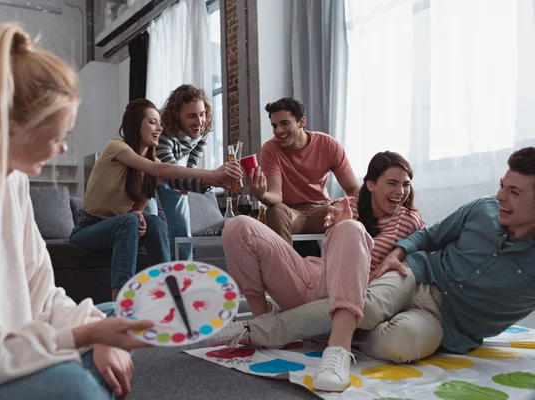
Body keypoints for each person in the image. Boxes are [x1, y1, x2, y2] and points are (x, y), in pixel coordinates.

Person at [0, 23, 156, 399]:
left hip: (15, 346)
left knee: (110, 316)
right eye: (57, 137)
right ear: (11, 128)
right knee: (77, 386)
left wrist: (97, 331)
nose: (62, 149)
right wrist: (86, 336)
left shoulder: (13, 182)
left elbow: (43, 294)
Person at [213, 147, 535, 392]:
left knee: (398, 344)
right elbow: (431, 238)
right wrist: (391, 248)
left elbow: (420, 232)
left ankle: (340, 334)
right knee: (360, 305)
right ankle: (262, 329)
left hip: (444, 320)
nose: (500, 196)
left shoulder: (408, 217)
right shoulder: (482, 209)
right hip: (413, 275)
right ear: (370, 184)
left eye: (514, 192)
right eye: (502, 186)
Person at [219, 151, 423, 392]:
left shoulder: (409, 220)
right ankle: (261, 315)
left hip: (346, 297)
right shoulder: (347, 206)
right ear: (370, 184)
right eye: (392, 183)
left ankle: (339, 350)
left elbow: (425, 245)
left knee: (351, 228)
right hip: (312, 277)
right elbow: (333, 250)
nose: (400, 192)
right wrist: (339, 224)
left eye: (406, 184)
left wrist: (396, 252)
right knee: (238, 226)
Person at [71, 99, 241, 301]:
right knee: (131, 221)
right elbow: (157, 170)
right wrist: (212, 173)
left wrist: (216, 181)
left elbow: (144, 203)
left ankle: (168, 290)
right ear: (136, 124)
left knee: (152, 221)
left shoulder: (154, 165)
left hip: (121, 229)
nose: (160, 128)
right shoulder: (115, 147)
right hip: (88, 230)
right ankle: (122, 300)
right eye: (153, 122)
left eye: (159, 123)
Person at [246, 97, 360, 245]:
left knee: (346, 210)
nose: (278, 131)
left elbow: (353, 189)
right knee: (275, 211)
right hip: (291, 213)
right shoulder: (270, 149)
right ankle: (286, 266)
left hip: (321, 211)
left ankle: (346, 266)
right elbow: (276, 195)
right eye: (274, 125)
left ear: (302, 122)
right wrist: (261, 194)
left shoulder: (328, 144)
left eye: (284, 123)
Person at [148, 84, 225, 260]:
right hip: (146, 176)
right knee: (152, 224)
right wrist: (210, 178)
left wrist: (189, 176)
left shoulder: (203, 128)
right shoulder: (163, 135)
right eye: (191, 116)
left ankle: (185, 273)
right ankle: (158, 275)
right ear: (176, 116)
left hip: (170, 169)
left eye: (202, 114)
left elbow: (196, 152)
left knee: (182, 228)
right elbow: (171, 174)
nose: (199, 121)